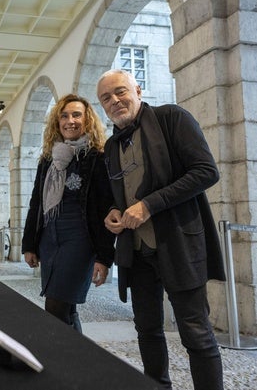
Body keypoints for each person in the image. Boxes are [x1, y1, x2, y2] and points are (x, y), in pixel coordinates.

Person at [96, 69, 226, 389]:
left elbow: (206, 172)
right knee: (147, 330)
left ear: (138, 89)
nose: (115, 101)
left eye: (121, 92)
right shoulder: (111, 146)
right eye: (106, 98)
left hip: (178, 243)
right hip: (136, 252)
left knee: (196, 333)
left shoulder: (172, 119)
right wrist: (113, 212)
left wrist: (149, 205)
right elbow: (119, 196)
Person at [22, 94, 115, 332]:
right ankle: (80, 362)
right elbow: (36, 203)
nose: (70, 121)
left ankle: (60, 361)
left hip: (79, 241)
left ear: (88, 120)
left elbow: (107, 207)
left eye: (76, 115)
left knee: (55, 308)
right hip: (49, 241)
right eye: (64, 116)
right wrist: (29, 244)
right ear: (57, 121)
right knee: (67, 308)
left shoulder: (98, 157)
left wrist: (104, 257)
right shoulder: (47, 160)